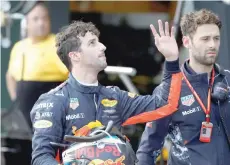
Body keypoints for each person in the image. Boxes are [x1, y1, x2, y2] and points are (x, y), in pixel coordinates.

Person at [30, 20, 182, 165]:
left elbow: (164, 104)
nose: (102, 47)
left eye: (99, 41)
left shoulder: (114, 97)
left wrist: (171, 59)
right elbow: (41, 157)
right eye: (92, 43)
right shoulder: (53, 101)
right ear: (75, 55)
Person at [137, 9, 230, 165]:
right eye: (205, 39)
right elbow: (148, 148)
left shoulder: (227, 80)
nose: (213, 45)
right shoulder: (170, 90)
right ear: (187, 42)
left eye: (216, 38)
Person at [6, 1, 68, 128]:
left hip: (52, 109)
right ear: (26, 24)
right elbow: (10, 76)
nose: (41, 23)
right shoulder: (19, 47)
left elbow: (73, 74)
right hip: (25, 111)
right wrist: (15, 100)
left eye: (45, 18)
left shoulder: (58, 43)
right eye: (36, 19)